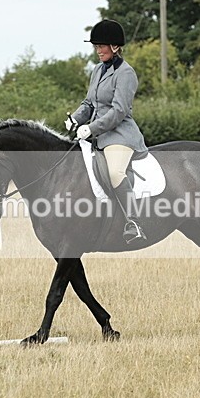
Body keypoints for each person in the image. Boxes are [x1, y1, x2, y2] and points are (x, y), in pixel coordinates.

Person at [66, 19, 149, 243]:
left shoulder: (126, 73)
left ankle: (134, 222)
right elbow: (89, 103)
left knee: (115, 173)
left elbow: (119, 111)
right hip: (97, 136)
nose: (97, 50)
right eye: (96, 46)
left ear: (115, 46)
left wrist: (91, 128)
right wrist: (75, 117)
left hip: (120, 136)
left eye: (101, 46)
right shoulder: (97, 71)